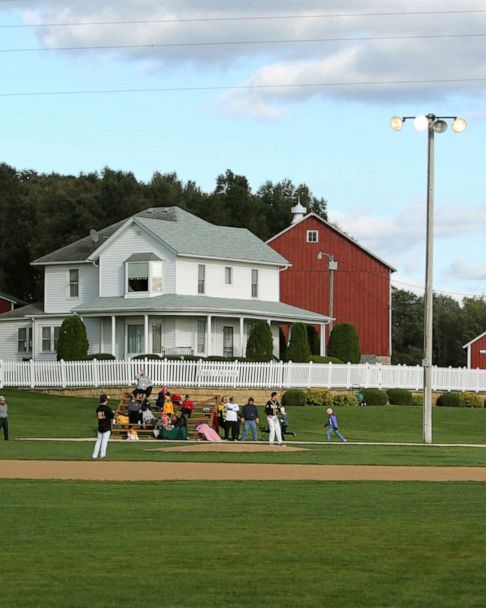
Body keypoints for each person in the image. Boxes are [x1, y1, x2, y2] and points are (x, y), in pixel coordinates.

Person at [92, 394, 115, 459]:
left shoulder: (98, 408)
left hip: (100, 426)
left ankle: (94, 455)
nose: (107, 400)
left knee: (98, 441)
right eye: (107, 399)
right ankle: (102, 454)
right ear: (105, 400)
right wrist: (113, 412)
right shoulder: (107, 408)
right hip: (107, 426)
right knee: (104, 441)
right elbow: (112, 416)